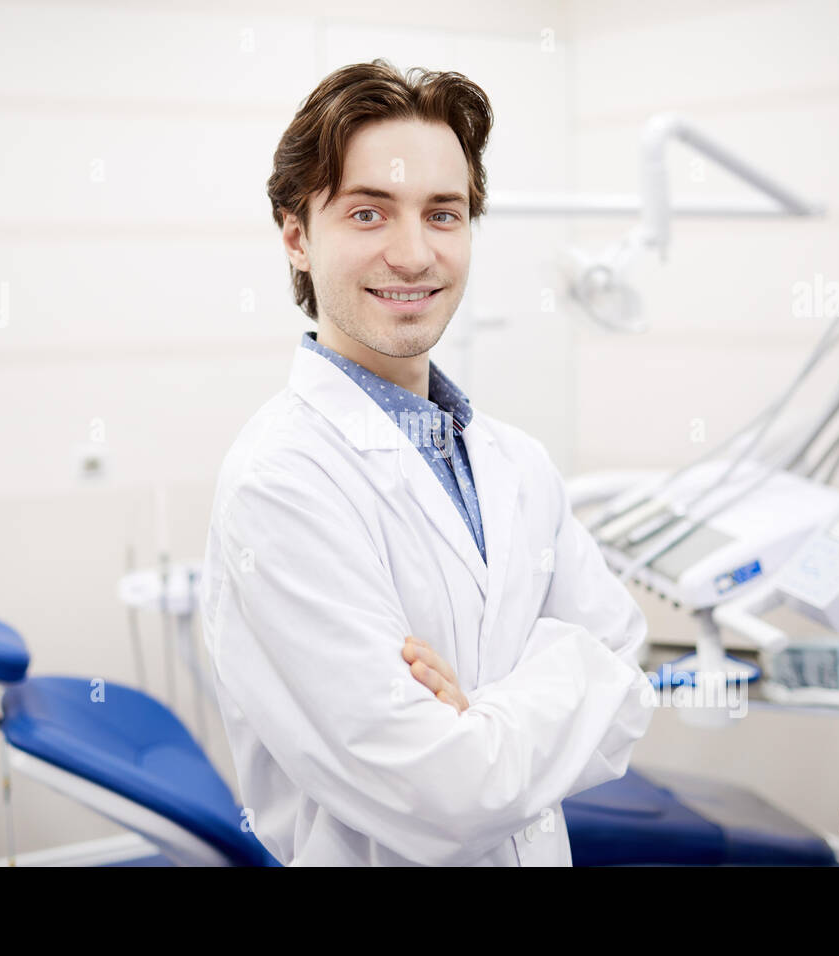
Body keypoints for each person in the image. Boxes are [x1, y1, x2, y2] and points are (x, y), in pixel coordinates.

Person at [199, 59, 655, 866]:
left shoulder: (515, 463)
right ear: (297, 236)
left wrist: (478, 716)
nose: (413, 255)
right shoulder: (280, 485)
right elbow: (447, 795)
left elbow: (626, 667)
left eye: (442, 215)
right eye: (369, 213)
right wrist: (544, 698)